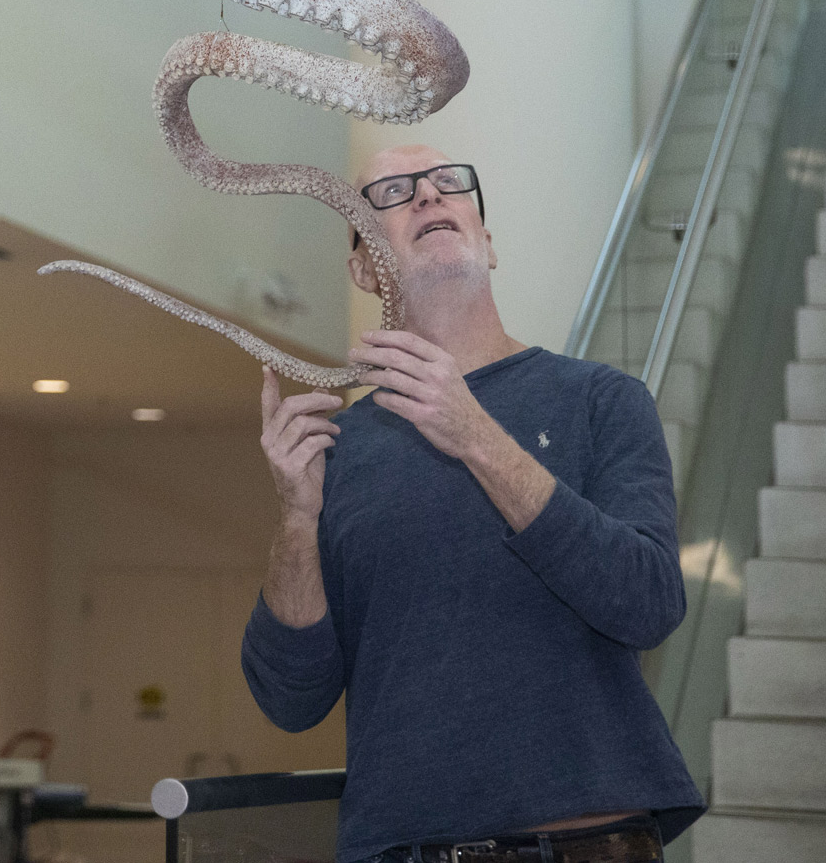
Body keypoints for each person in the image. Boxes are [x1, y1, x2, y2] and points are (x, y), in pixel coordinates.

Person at [244, 144, 703, 863]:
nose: (428, 193)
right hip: (405, 848)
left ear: (488, 244)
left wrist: (478, 436)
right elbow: (288, 698)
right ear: (365, 267)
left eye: (449, 182)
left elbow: (648, 601)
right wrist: (298, 518)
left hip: (592, 843)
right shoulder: (339, 449)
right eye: (392, 191)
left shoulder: (602, 400)